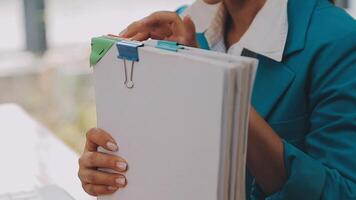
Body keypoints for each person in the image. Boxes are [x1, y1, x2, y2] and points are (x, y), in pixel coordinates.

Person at [78, 0, 356, 199]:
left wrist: (214, 83)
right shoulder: (186, 25)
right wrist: (111, 169)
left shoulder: (339, 40)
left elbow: (342, 192)